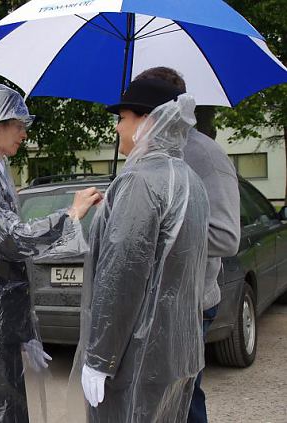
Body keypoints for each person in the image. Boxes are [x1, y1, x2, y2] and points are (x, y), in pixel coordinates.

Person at [0, 83, 102, 423]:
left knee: (7, 410)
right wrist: (69, 216)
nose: (24, 135)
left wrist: (22, 326)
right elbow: (9, 239)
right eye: (19, 126)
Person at [75, 78, 210, 422]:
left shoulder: (140, 181)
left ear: (147, 120)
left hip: (134, 355)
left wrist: (100, 358)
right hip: (175, 352)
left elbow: (121, 276)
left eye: (122, 117)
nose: (118, 127)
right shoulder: (189, 179)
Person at [133, 67, 241, 423]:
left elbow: (226, 237)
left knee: (183, 398)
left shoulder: (206, 155)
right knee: (153, 396)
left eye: (142, 110)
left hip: (190, 304)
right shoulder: (145, 152)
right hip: (150, 301)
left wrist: (158, 230)